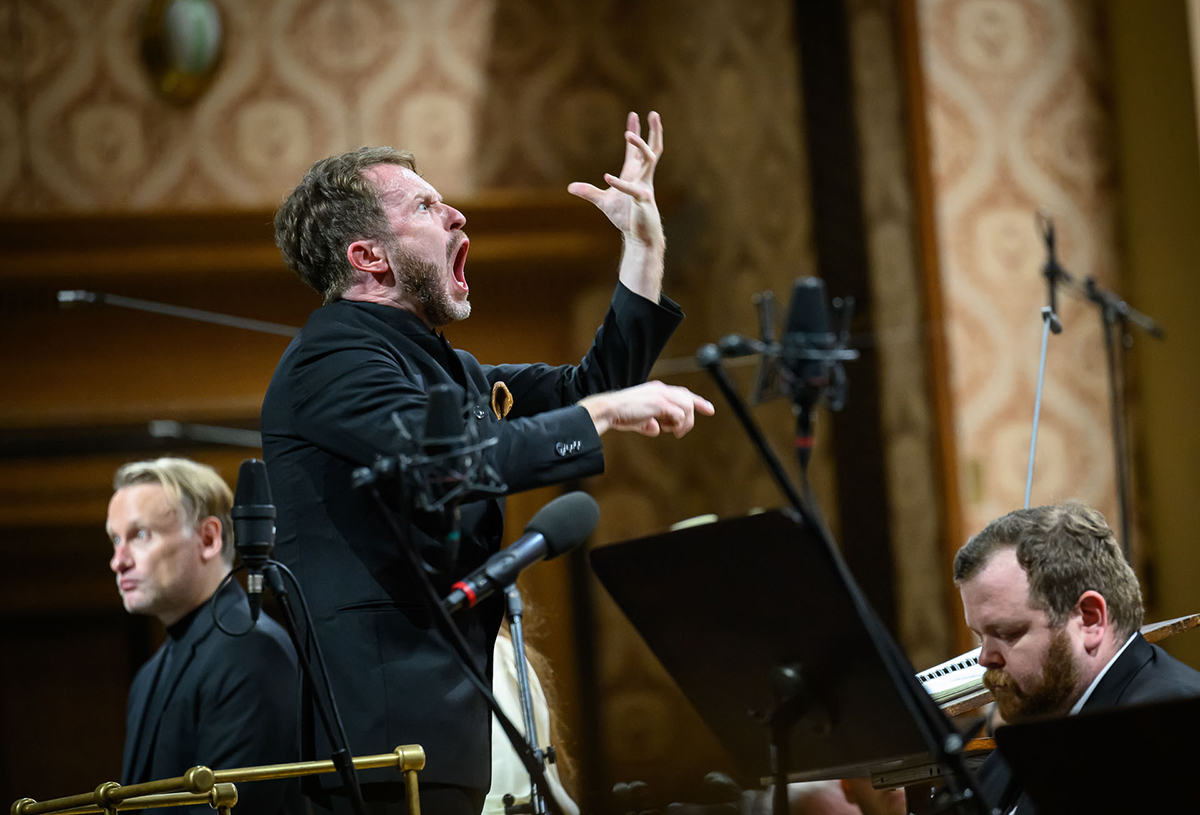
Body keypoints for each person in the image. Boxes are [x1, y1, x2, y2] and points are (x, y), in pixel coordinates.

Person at [262, 111, 713, 815]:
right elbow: (447, 464)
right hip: (378, 746)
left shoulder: (448, 368)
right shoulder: (334, 357)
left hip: (436, 733)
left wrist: (644, 247)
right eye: (425, 205)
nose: (455, 213)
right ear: (369, 256)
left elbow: (591, 391)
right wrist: (600, 414)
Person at [953, 500, 1200, 814]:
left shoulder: (1172, 731)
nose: (985, 658)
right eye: (980, 636)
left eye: (1008, 633)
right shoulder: (1043, 714)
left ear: (1090, 619)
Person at [106, 457, 302, 814]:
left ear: (208, 538)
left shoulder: (252, 650)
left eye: (139, 535)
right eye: (115, 539)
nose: (118, 561)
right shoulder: (151, 672)